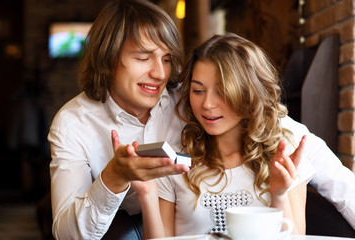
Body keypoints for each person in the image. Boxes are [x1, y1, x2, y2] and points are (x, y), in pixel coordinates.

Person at [135, 33, 316, 238]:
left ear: (249, 93)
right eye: (198, 90)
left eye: (221, 91)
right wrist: (147, 194)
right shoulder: (176, 162)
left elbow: (296, 236)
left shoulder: (284, 157)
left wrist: (279, 194)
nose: (207, 104)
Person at [47, 0, 189, 239]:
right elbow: (66, 234)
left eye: (166, 58)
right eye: (144, 58)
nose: (160, 73)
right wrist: (114, 177)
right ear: (108, 59)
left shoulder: (188, 101)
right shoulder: (72, 123)